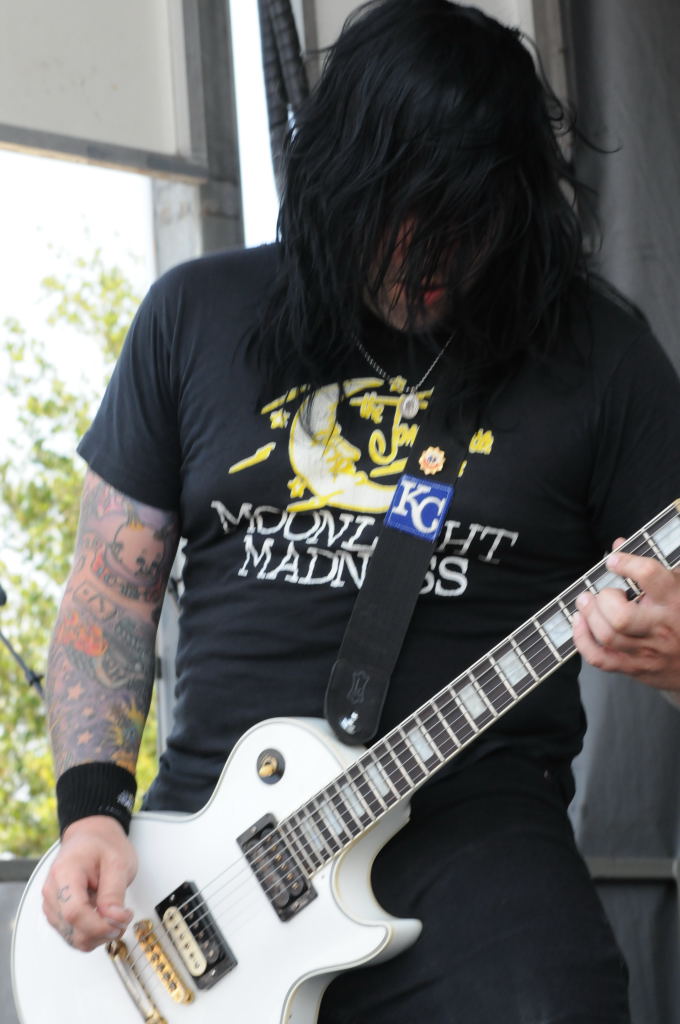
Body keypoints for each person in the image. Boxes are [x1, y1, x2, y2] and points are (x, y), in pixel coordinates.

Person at [40, 1, 680, 1021]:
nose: (427, 259)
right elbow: (110, 595)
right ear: (334, 181)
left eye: (465, 223)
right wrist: (89, 813)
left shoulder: (601, 360)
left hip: (475, 844)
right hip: (209, 862)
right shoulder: (196, 317)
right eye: (395, 215)